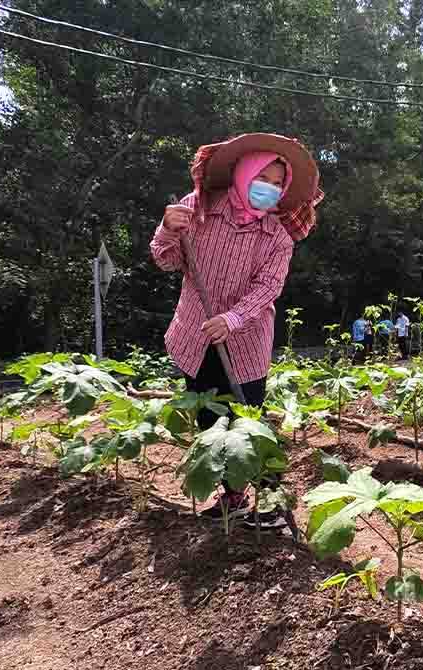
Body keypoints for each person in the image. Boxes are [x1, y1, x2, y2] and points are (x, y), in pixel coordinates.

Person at [150, 133, 323, 529]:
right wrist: (167, 229)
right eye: (265, 177)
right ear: (244, 174)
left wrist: (232, 319)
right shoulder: (198, 209)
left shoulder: (277, 237)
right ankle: (232, 497)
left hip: (245, 341)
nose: (271, 188)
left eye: (279, 184)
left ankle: (270, 502)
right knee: (210, 420)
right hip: (195, 334)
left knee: (248, 420)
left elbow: (268, 289)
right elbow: (167, 260)